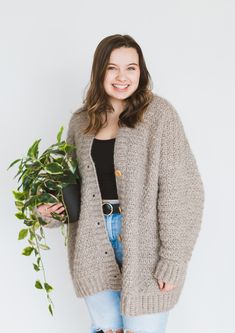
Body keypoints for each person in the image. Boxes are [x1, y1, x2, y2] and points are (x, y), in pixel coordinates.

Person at [36, 34, 205, 333]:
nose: (122, 77)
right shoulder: (81, 122)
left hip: (146, 243)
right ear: (99, 71)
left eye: (131, 68)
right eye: (112, 68)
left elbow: (184, 190)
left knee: (144, 328)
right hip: (92, 240)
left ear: (141, 72)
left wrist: (173, 259)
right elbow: (70, 186)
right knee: (106, 329)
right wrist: (50, 212)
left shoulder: (159, 116)